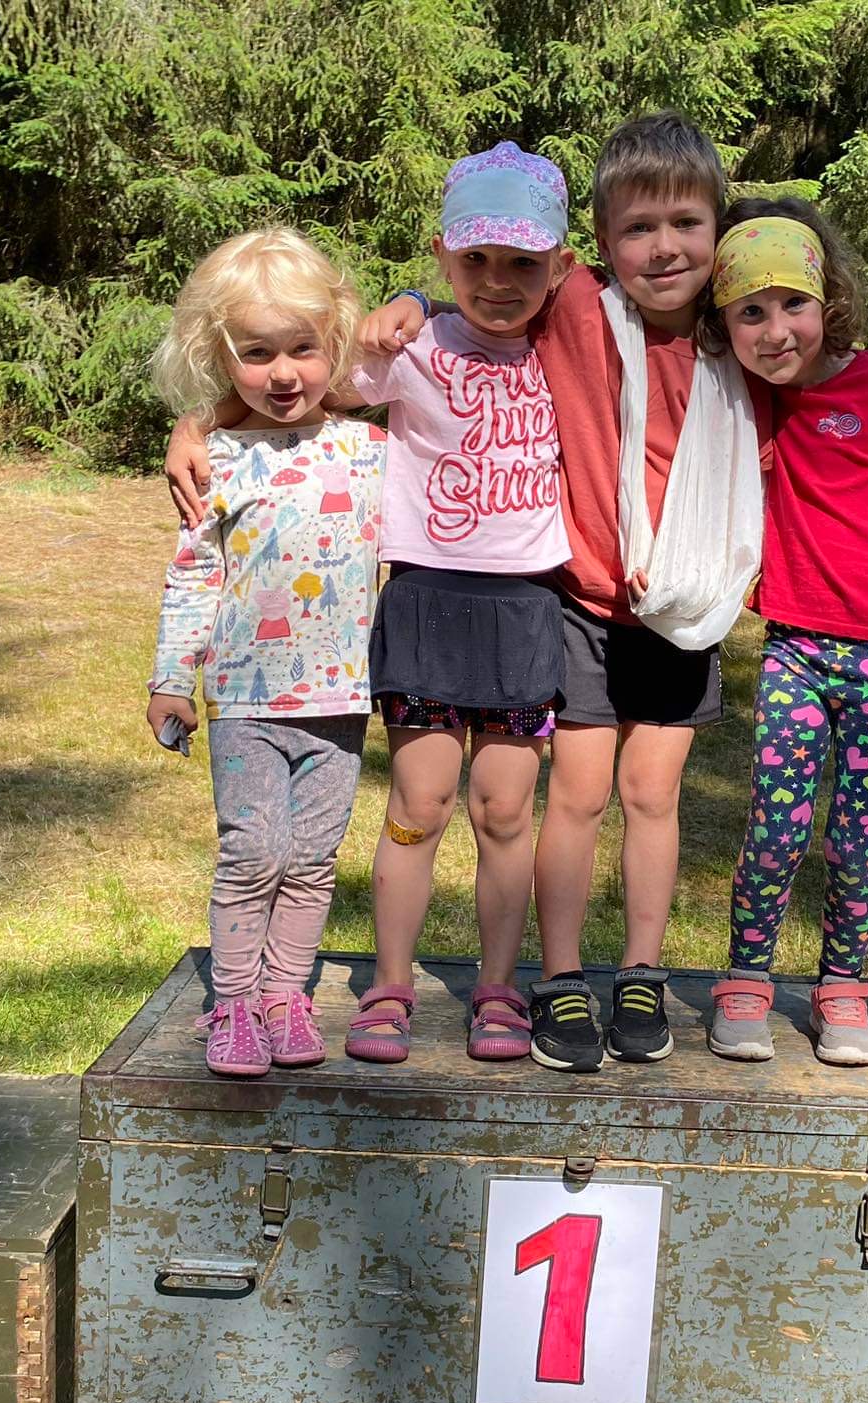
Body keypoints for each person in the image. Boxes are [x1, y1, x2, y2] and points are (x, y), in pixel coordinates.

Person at [352, 113, 765, 1074]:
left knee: (649, 794)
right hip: (571, 601)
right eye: (638, 228)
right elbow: (479, 290)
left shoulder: (741, 339)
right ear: (602, 248)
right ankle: (559, 978)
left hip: (681, 610)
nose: (663, 247)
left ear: (720, 232)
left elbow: (828, 360)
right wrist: (409, 297)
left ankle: (642, 973)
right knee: (566, 798)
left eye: (687, 225)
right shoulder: (576, 309)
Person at [699, 200, 868, 1066]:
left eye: (793, 304)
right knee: (775, 829)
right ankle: (745, 980)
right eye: (750, 312)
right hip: (796, 651)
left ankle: (843, 989)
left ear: (829, 300)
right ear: (724, 325)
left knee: (859, 838)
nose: (776, 331)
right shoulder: (748, 399)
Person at [145, 227, 382, 1078]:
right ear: (221, 356)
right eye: (257, 353)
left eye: (302, 349)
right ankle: (235, 1004)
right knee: (253, 855)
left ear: (334, 342)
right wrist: (172, 678)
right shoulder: (216, 462)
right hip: (246, 701)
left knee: (313, 861)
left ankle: (286, 996)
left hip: (342, 700)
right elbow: (194, 575)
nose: (283, 372)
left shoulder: (371, 450)